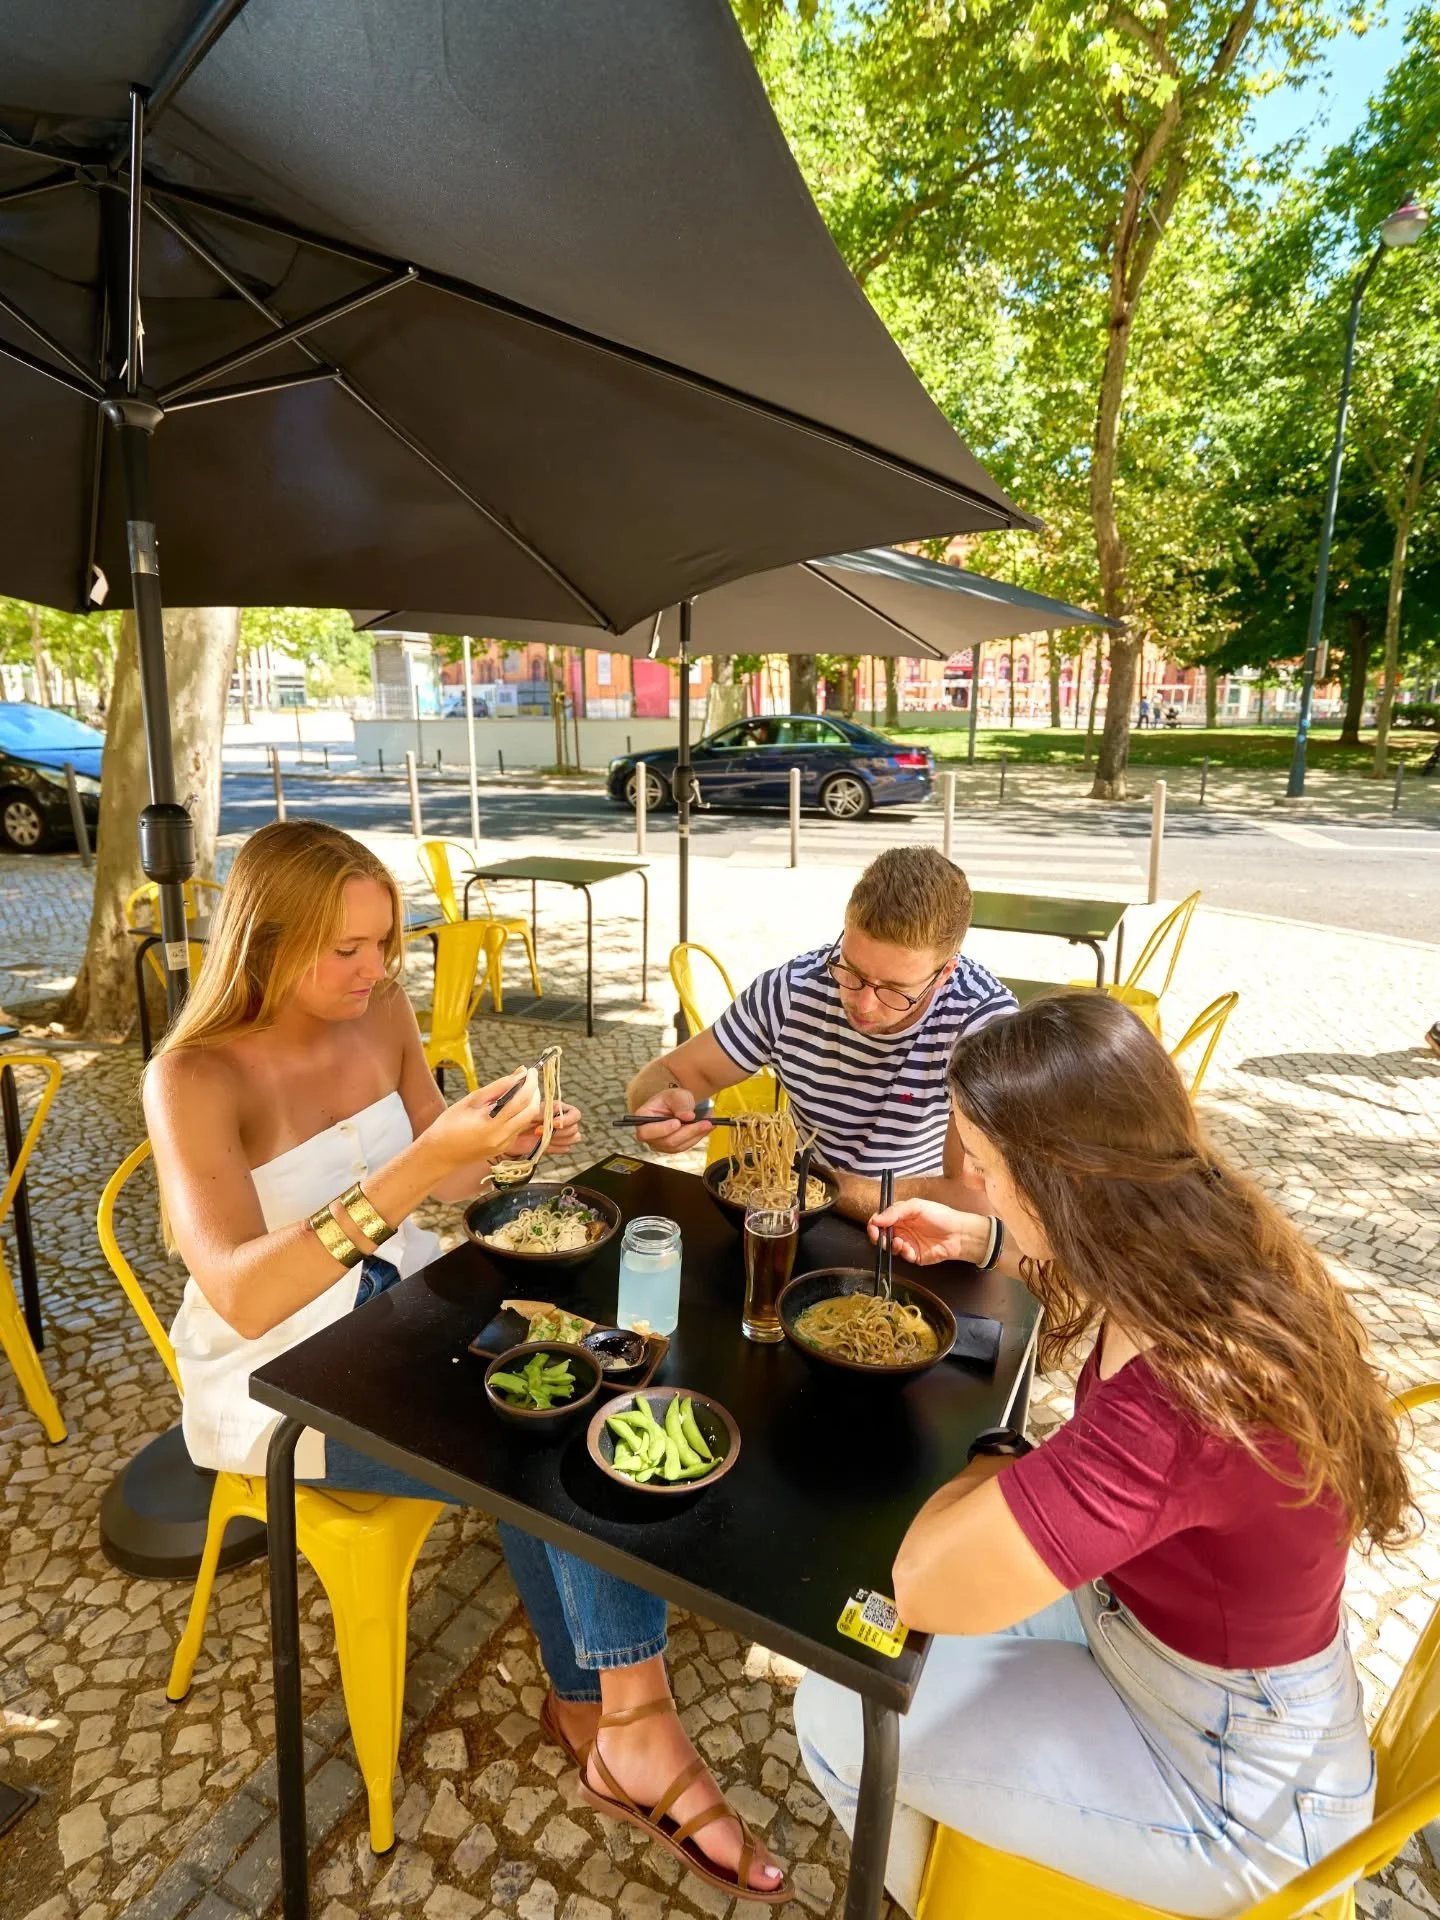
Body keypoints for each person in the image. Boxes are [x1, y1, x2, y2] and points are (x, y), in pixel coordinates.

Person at [148, 821, 787, 1905]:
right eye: (344, 950)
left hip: (401, 1319)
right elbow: (244, 1291)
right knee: (544, 1448)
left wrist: (494, 1149)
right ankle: (624, 1721)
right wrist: (417, 1171)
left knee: (598, 1383)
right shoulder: (193, 1077)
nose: (374, 973)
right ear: (262, 940)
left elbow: (442, 1184)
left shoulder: (382, 1011)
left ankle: (601, 1706)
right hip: (278, 1372)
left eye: (385, 944)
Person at [796, 990, 1407, 1919]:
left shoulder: (1185, 1399)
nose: (974, 1187)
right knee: (876, 1646)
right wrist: (990, 1238)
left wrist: (996, 1451)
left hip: (1229, 1776)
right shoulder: (1203, 1240)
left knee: (838, 1712)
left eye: (988, 1174)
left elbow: (923, 1579)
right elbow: (1084, 1261)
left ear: (1064, 1187)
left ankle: (960, 1901)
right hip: (1176, 1652)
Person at [627, 846, 1017, 1236]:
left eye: (895, 990)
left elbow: (977, 1200)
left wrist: (818, 1184)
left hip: (924, 1232)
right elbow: (667, 1074)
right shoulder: (792, 991)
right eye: (852, 971)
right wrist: (658, 1105)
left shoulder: (984, 1030)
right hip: (801, 1217)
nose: (863, 1004)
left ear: (945, 971)